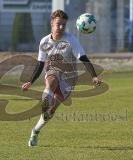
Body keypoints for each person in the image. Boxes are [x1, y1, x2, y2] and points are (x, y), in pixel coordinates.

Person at [21, 10, 103, 147]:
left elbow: (83, 58)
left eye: (63, 25)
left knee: (52, 111)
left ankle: (35, 131)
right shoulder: (44, 41)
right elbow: (40, 64)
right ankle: (44, 105)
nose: (61, 27)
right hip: (53, 70)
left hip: (69, 78)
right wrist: (30, 81)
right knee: (51, 80)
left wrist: (94, 76)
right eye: (58, 24)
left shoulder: (71, 40)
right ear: (52, 23)